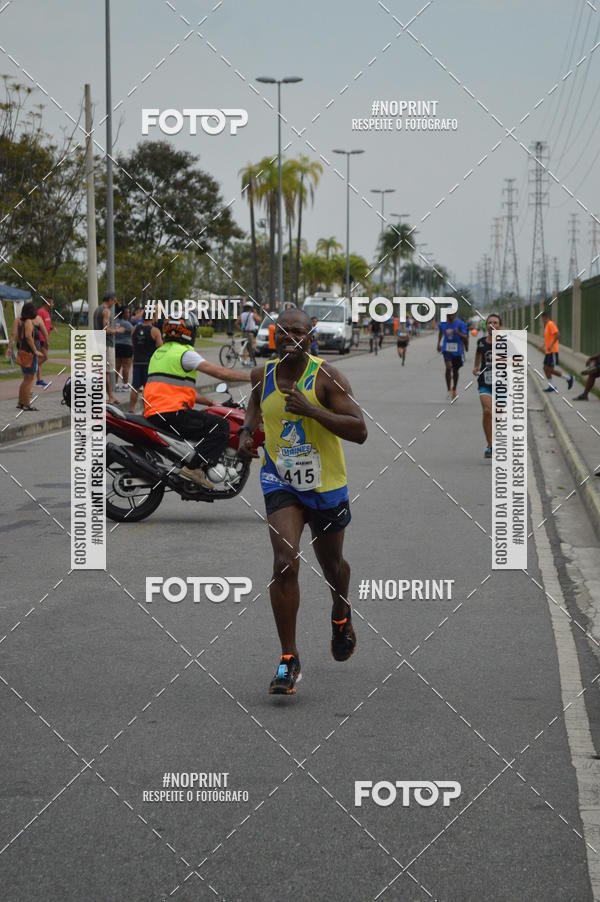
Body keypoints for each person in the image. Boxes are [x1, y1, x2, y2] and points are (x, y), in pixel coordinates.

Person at [237, 308, 367, 695]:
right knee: (283, 561)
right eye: (283, 331)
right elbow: (254, 407)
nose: (290, 336)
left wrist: (312, 410)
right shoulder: (263, 376)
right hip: (281, 481)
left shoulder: (327, 377)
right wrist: (247, 432)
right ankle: (288, 659)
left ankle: (341, 611)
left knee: (332, 566)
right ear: (273, 336)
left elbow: (359, 429)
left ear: (312, 337)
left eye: (299, 331)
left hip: (326, 485)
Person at [143, 314, 251, 489]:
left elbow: (175, 388)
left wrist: (210, 402)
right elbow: (221, 373)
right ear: (189, 332)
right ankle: (193, 469)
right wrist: (252, 377)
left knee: (205, 420)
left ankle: (192, 463)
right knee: (221, 426)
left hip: (157, 414)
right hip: (173, 414)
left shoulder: (159, 353)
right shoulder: (184, 354)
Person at [8, 301, 47, 410]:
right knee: (29, 380)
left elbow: (13, 335)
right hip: (29, 354)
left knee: (25, 379)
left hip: (21, 353)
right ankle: (26, 404)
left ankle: (20, 403)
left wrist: (9, 348)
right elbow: (29, 337)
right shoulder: (29, 322)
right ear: (31, 312)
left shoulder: (18, 320)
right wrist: (35, 350)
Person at [473, 312, 501, 459]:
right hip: (485, 381)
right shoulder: (481, 342)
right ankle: (490, 445)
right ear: (486, 325)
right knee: (487, 411)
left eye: (495, 323)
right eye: (490, 322)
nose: (493, 325)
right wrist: (476, 367)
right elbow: (478, 356)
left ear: (499, 326)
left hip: (502, 383)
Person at [129, 310, 162, 412]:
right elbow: (160, 347)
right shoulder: (155, 331)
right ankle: (146, 410)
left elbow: (133, 343)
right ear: (152, 318)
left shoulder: (134, 329)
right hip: (149, 363)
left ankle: (132, 409)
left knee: (135, 387)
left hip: (137, 362)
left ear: (143, 317)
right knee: (147, 388)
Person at [93, 291, 122, 404]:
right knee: (106, 372)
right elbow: (105, 329)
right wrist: (117, 330)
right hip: (106, 344)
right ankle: (110, 397)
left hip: (99, 342)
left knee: (102, 372)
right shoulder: (106, 311)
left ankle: (108, 396)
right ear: (110, 300)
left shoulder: (97, 310)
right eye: (114, 300)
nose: (114, 303)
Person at [539, 310, 574, 392]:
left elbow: (558, 334)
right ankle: (552, 386)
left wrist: (551, 345)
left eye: (543, 318)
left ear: (545, 317)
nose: (542, 320)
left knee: (550, 369)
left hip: (552, 351)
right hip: (548, 352)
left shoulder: (550, 324)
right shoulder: (547, 325)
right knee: (545, 368)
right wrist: (543, 346)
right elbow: (548, 338)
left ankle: (569, 378)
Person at [437, 312, 468, 399]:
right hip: (446, 348)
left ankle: (454, 388)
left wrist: (459, 333)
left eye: (452, 314)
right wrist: (438, 344)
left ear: (455, 314)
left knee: (455, 370)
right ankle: (448, 389)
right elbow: (440, 333)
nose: (450, 316)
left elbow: (465, 337)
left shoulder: (461, 324)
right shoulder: (442, 323)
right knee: (448, 367)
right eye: (448, 315)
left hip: (457, 349)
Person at [115, 307, 134, 391]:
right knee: (126, 366)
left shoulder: (115, 323)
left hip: (116, 345)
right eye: (127, 312)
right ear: (123, 314)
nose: (128, 314)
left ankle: (115, 384)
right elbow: (134, 333)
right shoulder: (128, 324)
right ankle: (125, 385)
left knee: (117, 366)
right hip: (127, 346)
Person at [36, 299, 53, 387]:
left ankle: (39, 380)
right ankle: (33, 367)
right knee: (44, 357)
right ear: (47, 303)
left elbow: (46, 325)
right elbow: (37, 325)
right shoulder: (40, 312)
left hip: (46, 338)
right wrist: (44, 339)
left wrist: (51, 328)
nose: (53, 304)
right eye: (52, 302)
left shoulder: (47, 313)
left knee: (41, 358)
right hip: (41, 339)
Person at [238, 301, 260, 366]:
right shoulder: (252, 314)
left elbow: (236, 323)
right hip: (251, 333)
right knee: (252, 347)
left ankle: (245, 361)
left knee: (245, 347)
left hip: (244, 333)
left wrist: (241, 329)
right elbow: (259, 320)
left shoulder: (242, 315)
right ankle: (251, 360)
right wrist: (255, 312)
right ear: (251, 308)